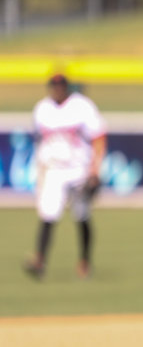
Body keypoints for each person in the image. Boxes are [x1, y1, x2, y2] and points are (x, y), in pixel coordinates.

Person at [23, 72, 107, 280]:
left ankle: (85, 262)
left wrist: (95, 171)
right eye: (54, 87)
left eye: (61, 87)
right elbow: (38, 141)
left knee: (82, 216)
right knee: (48, 215)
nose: (57, 90)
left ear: (67, 88)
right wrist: (39, 170)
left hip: (78, 169)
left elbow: (99, 137)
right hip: (54, 170)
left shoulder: (82, 106)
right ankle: (39, 261)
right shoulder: (42, 108)